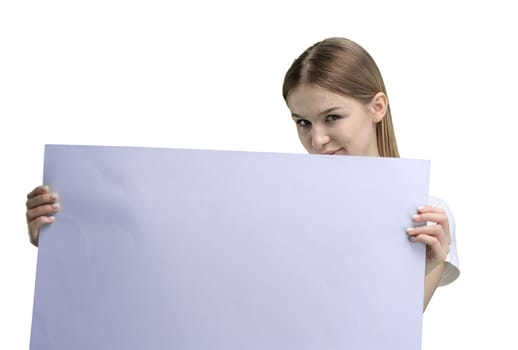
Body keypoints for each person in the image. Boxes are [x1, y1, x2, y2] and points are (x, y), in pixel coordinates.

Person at [25, 37, 459, 311]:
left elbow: (390, 337)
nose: (317, 139)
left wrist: (430, 264)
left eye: (332, 117)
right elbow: (175, 275)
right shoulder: (273, 203)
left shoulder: (427, 215)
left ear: (376, 107)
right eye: (302, 122)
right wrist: (67, 234)